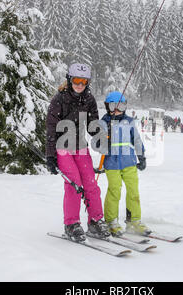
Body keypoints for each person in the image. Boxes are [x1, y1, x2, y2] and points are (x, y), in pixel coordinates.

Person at [45, 63, 110, 242]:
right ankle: (71, 223)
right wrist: (50, 155)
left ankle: (95, 220)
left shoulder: (88, 99)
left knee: (90, 183)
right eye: (76, 80)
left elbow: (92, 124)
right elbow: (51, 128)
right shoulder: (59, 99)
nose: (80, 85)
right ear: (69, 80)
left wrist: (100, 135)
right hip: (62, 147)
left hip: (80, 146)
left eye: (84, 81)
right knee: (74, 184)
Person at [97, 91, 150, 237]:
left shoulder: (129, 121)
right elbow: (95, 144)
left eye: (120, 105)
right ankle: (111, 221)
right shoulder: (103, 122)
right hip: (111, 163)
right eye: (113, 105)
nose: (117, 109)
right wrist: (103, 140)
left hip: (129, 162)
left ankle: (134, 221)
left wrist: (141, 156)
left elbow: (137, 140)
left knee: (133, 191)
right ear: (107, 106)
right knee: (114, 191)